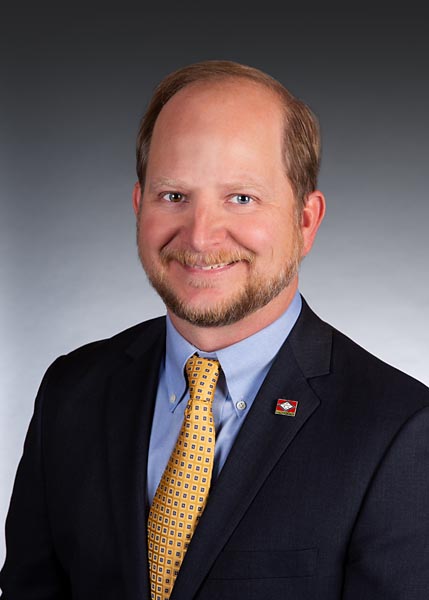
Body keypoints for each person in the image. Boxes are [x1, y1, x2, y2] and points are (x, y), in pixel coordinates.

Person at [1, 60, 429, 600]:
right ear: (138, 206)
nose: (201, 237)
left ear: (305, 221)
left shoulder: (400, 432)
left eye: (241, 198)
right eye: (173, 196)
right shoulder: (71, 392)